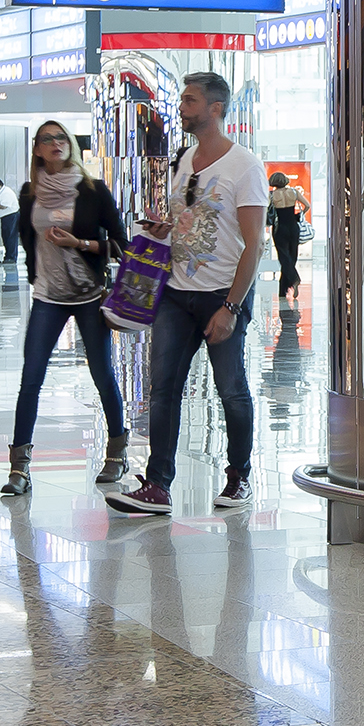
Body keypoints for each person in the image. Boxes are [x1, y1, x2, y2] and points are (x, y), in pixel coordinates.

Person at [108, 72, 265, 515]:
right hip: (176, 293)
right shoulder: (184, 160)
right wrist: (165, 229)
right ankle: (158, 485)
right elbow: (189, 218)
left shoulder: (245, 166)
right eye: (182, 100)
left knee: (231, 389)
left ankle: (239, 476)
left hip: (222, 294)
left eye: (190, 101)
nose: (181, 108)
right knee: (163, 389)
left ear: (216, 108)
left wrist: (231, 307)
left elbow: (254, 244)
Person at [1, 120, 130, 497]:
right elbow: (27, 239)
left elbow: (121, 245)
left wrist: (80, 244)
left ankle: (117, 452)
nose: (56, 143)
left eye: (61, 137)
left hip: (89, 294)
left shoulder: (93, 190)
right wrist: (37, 273)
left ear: (71, 144)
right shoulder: (29, 193)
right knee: (31, 378)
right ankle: (19, 467)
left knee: (102, 374)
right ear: (37, 150)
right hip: (47, 296)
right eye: (47, 139)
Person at [266, 172, 307, 301]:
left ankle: (294, 279)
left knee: (284, 257)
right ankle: (284, 289)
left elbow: (266, 210)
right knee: (292, 256)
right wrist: (299, 215)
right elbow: (307, 205)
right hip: (293, 226)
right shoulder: (293, 192)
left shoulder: (272, 195)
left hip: (280, 227)